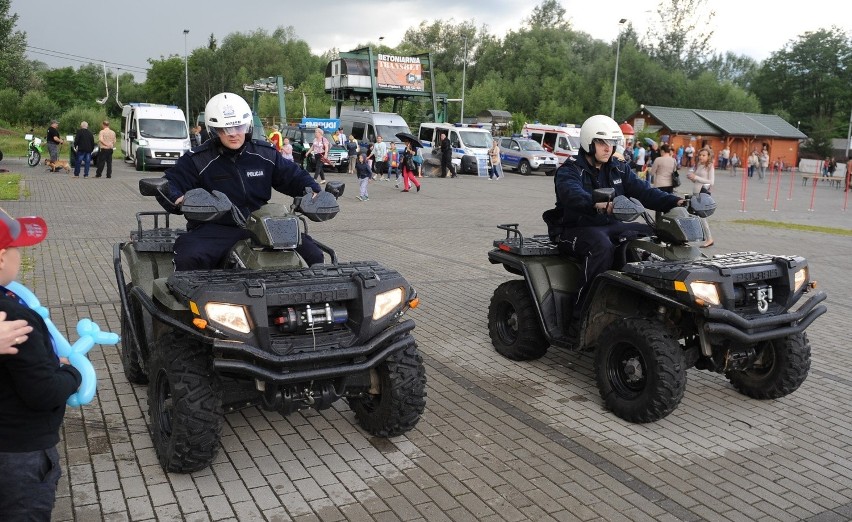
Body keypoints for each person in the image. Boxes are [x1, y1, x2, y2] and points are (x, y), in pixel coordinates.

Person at [543, 115, 684, 328]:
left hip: (609, 226)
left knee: (652, 234)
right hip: (573, 228)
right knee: (600, 247)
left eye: (611, 143)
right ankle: (581, 316)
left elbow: (644, 192)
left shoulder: (618, 167)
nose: (608, 148)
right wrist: (598, 203)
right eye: (601, 142)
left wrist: (678, 201)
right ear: (588, 143)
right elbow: (571, 194)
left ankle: (648, 302)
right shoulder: (570, 170)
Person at [158, 92, 325, 270]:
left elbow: (293, 176)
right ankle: (188, 298)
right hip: (215, 228)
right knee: (189, 256)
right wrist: (180, 200)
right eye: (225, 129)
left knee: (314, 254)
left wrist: (313, 193)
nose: (234, 134)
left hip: (261, 224)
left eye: (239, 127)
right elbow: (169, 184)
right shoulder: (198, 159)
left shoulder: (264, 154)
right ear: (213, 130)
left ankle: (312, 298)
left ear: (249, 126)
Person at [0, 208, 83, 521]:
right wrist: (71, 372)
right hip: (19, 454)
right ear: (1, 258)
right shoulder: (13, 318)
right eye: (17, 248)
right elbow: (44, 393)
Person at [687, 147, 715, 248]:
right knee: (693, 216)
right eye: (700, 155)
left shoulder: (710, 166)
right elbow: (697, 180)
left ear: (708, 156)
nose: (701, 157)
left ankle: (709, 239)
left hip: (703, 194)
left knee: (702, 218)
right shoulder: (699, 165)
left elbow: (711, 182)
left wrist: (696, 177)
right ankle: (695, 237)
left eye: (704, 155)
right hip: (696, 193)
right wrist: (692, 178)